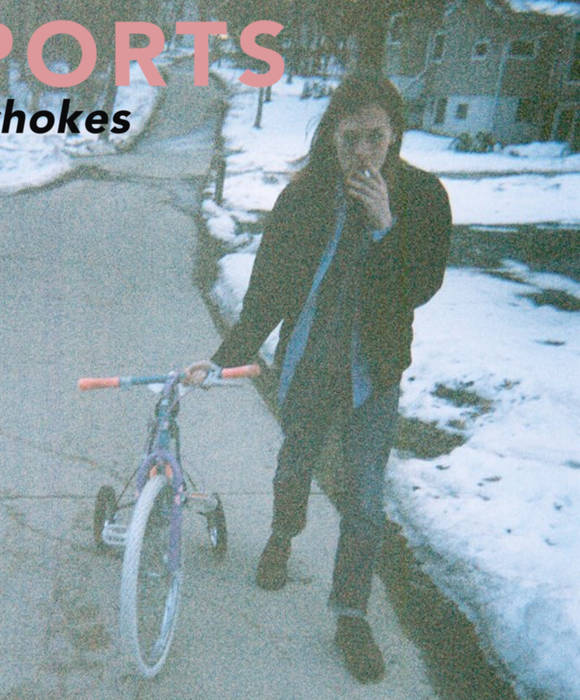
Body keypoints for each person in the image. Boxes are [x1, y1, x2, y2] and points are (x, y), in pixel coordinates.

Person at [186, 73, 451, 683]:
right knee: (294, 463)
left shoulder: (422, 196)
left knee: (365, 497)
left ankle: (351, 614)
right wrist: (224, 357)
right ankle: (282, 535)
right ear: (331, 134)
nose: (363, 152)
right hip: (308, 364)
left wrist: (385, 226)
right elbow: (268, 291)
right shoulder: (304, 198)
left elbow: (420, 286)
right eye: (350, 137)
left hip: (372, 373)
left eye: (375, 137)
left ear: (395, 135)